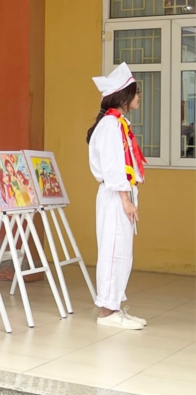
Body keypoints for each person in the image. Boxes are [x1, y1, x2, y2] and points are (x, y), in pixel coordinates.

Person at [88, 64, 148, 330]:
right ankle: (106, 312)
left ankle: (113, 307)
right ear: (124, 95)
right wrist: (125, 199)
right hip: (115, 195)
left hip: (120, 192)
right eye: (136, 91)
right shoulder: (111, 125)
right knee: (113, 251)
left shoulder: (117, 123)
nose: (139, 96)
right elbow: (113, 166)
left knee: (122, 251)